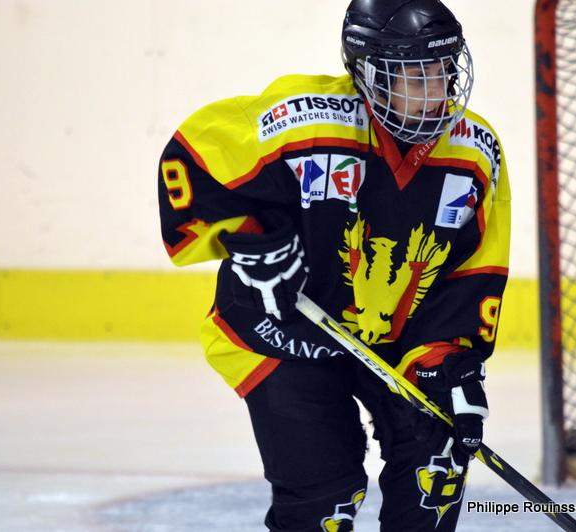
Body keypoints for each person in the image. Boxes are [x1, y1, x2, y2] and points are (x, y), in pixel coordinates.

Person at [158, 0, 510, 529]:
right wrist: (255, 242)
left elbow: (474, 270)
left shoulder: (475, 151)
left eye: (442, 71)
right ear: (368, 75)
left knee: (435, 464)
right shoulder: (305, 120)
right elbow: (195, 159)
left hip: (395, 341)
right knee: (325, 494)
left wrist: (451, 359)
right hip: (282, 333)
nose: (435, 92)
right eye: (414, 76)